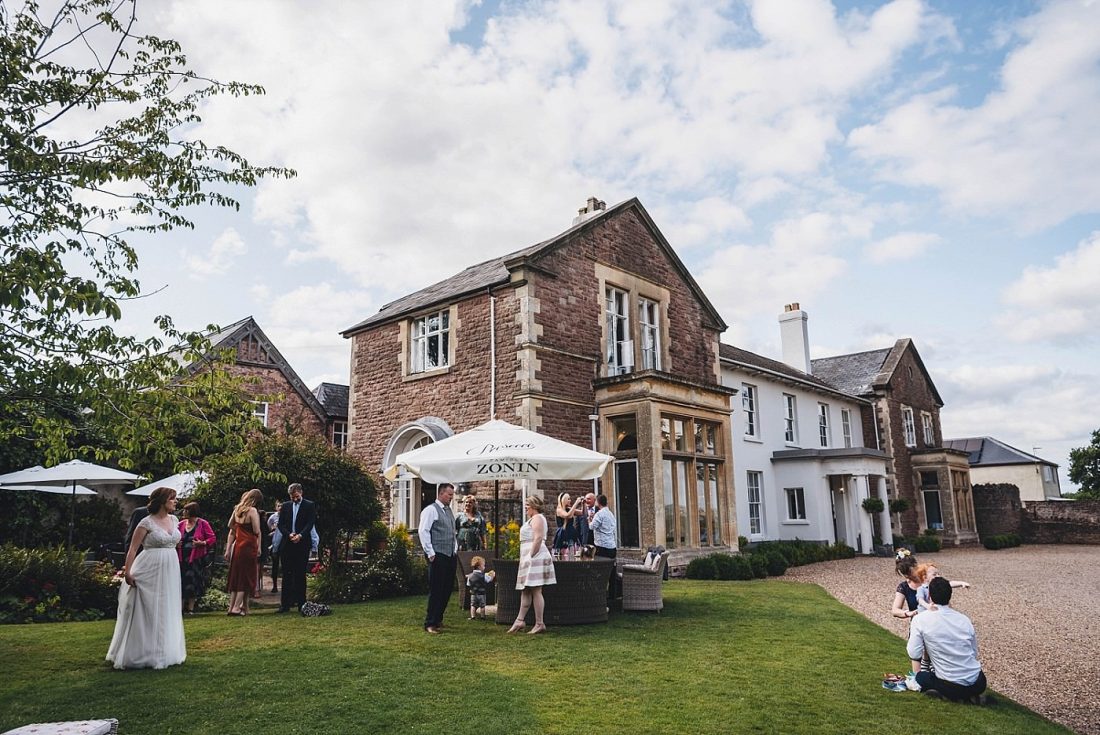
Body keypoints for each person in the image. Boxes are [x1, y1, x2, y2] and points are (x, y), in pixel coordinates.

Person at [106, 486, 186, 670]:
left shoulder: (174, 519)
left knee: (167, 607)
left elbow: (175, 541)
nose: (176, 502)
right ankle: (140, 652)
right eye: (172, 499)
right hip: (149, 567)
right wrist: (128, 571)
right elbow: (133, 548)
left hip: (170, 567)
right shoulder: (145, 523)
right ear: (162, 501)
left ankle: (164, 650)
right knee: (147, 608)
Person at [907, 577, 989, 703]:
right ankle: (970, 696)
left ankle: (949, 695)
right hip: (977, 681)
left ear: (930, 596)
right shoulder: (964, 619)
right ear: (950, 596)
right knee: (959, 681)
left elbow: (914, 652)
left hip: (949, 683)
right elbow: (974, 652)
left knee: (921, 677)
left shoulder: (921, 619)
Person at [509, 495, 556, 635]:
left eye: (527, 505)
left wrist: (530, 556)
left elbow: (538, 538)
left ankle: (539, 623)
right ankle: (520, 620)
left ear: (534, 506)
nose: (525, 507)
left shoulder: (537, 518)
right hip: (530, 557)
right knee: (526, 590)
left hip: (535, 557)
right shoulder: (533, 518)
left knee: (536, 590)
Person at [418, 483, 458, 634]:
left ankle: (438, 619)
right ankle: (430, 623)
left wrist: (455, 549)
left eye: (452, 495)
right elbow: (423, 531)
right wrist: (430, 552)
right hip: (438, 554)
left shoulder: (449, 511)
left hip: (450, 554)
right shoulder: (430, 510)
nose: (451, 497)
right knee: (436, 589)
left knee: (447, 589)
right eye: (449, 495)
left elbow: (452, 532)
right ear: (441, 493)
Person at [277, 482, 317, 613]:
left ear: (301, 493)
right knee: (287, 574)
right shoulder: (285, 506)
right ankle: (285, 605)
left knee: (300, 574)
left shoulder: (309, 505)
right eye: (292, 497)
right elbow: (281, 524)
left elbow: (310, 523)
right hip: (287, 544)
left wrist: (300, 535)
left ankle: (301, 603)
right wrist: (289, 534)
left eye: (296, 496)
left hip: (302, 544)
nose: (294, 499)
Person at [225, 488, 262, 616]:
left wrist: (239, 529)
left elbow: (230, 525)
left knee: (237, 575)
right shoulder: (252, 511)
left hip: (238, 545)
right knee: (245, 577)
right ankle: (236, 607)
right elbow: (256, 530)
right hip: (249, 545)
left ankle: (235, 607)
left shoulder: (237, 509)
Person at [177, 502, 216, 614]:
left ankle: (190, 608)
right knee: (181, 581)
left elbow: (212, 538)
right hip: (181, 556)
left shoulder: (203, 523)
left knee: (193, 581)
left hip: (195, 557)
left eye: (186, 510)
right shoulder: (180, 524)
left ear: (192, 512)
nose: (183, 513)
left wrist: (203, 543)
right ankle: (180, 607)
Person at [589, 494, 618, 599]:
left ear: (598, 502)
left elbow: (592, 527)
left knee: (600, 572)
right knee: (612, 572)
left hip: (602, 547)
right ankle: (612, 595)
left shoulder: (599, 514)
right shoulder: (611, 514)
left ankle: (600, 595)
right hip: (612, 547)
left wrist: (589, 520)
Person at [553, 492, 584, 556]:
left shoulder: (569, 509)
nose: (570, 500)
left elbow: (582, 513)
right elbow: (567, 515)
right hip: (563, 533)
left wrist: (583, 504)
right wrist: (576, 503)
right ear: (564, 500)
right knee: (563, 552)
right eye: (568, 499)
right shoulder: (559, 510)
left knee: (574, 551)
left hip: (571, 532)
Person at [466, 555, 494, 620]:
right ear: (479, 567)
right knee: (482, 606)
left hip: (473, 593)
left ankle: (473, 616)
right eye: (483, 565)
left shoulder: (470, 576)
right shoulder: (484, 575)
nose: (484, 567)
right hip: (482, 593)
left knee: (473, 605)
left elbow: (468, 584)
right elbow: (489, 580)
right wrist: (492, 576)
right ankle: (482, 616)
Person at [267, 501, 282, 593]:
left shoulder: (287, 516)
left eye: (282, 505)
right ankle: (274, 585)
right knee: (275, 565)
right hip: (275, 543)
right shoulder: (273, 517)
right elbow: (269, 526)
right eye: (278, 505)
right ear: (276, 507)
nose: (280, 507)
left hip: (285, 543)